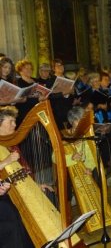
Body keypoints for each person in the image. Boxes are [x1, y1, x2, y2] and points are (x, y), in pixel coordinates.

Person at [0, 106, 34, 248]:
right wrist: (6, 161)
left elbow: (23, 171)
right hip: (5, 197)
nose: (15, 125)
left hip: (8, 191)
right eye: (11, 121)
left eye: (15, 121)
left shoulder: (11, 144)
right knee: (12, 216)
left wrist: (35, 185)